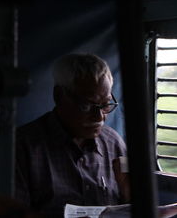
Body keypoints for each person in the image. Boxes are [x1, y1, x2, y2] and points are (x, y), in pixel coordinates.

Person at [15, 53, 129, 217]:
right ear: (59, 96)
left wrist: (128, 194)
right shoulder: (22, 148)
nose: (99, 117)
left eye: (105, 105)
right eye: (86, 106)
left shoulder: (114, 143)